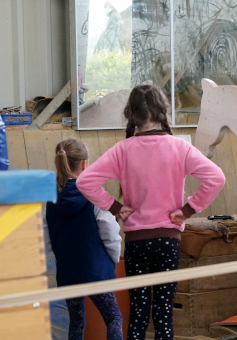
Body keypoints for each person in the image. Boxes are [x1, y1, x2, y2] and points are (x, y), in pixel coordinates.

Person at [76, 84, 226, 340]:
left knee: (138, 314)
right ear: (162, 111)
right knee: (164, 313)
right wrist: (188, 209)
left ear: (131, 114)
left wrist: (115, 207)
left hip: (136, 243)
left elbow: (84, 181)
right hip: (168, 241)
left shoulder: (122, 150)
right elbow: (216, 177)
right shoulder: (179, 147)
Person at [46, 138, 123, 340]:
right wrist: (114, 258)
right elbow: (109, 231)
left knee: (77, 321)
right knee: (113, 318)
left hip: (68, 273)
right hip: (96, 270)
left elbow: (46, 240)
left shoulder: (50, 201)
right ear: (84, 164)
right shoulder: (94, 195)